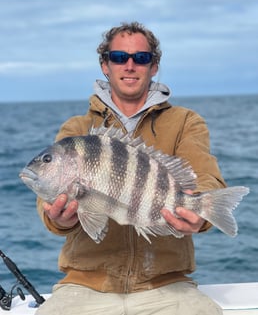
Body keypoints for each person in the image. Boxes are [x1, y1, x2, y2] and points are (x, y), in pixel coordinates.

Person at [35, 22, 225, 315]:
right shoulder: (79, 128)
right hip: (85, 284)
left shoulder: (186, 122)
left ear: (154, 66)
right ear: (105, 65)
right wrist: (58, 219)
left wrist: (202, 215)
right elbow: (47, 198)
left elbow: (204, 177)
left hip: (166, 282)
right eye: (119, 57)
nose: (130, 65)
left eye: (142, 58)